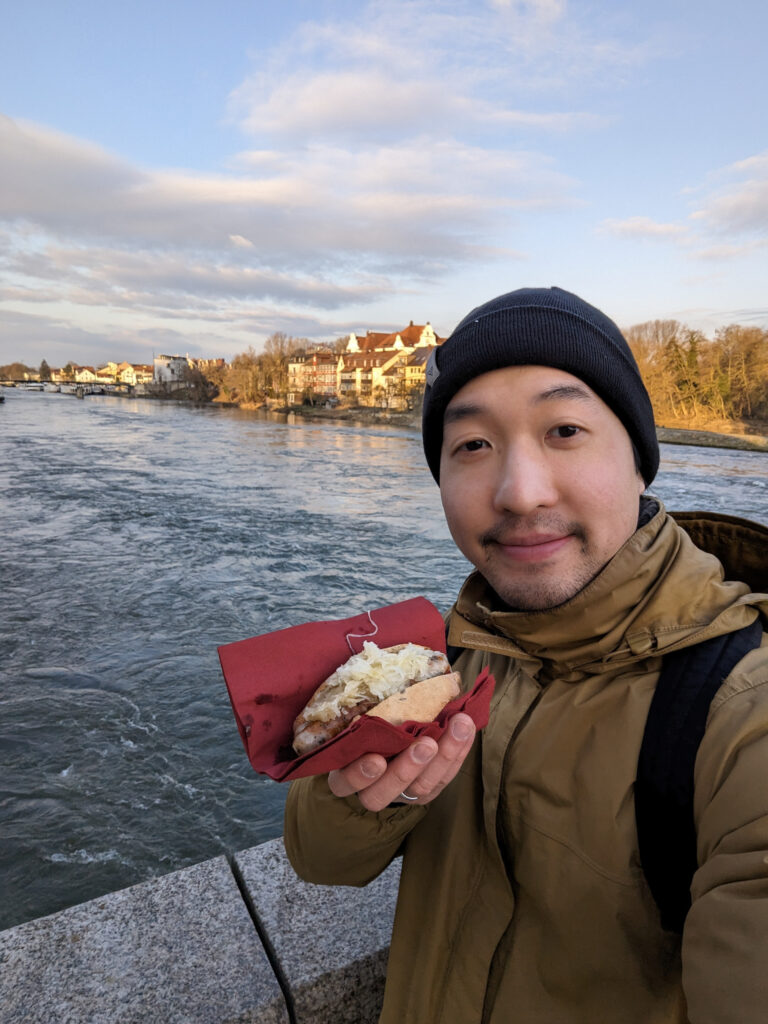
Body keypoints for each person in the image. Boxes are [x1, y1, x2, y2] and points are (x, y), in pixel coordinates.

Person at [284, 286, 768, 1023]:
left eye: (565, 429)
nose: (518, 491)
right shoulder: (438, 656)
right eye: (472, 445)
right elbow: (319, 860)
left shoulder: (740, 708)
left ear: (639, 462)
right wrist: (382, 793)